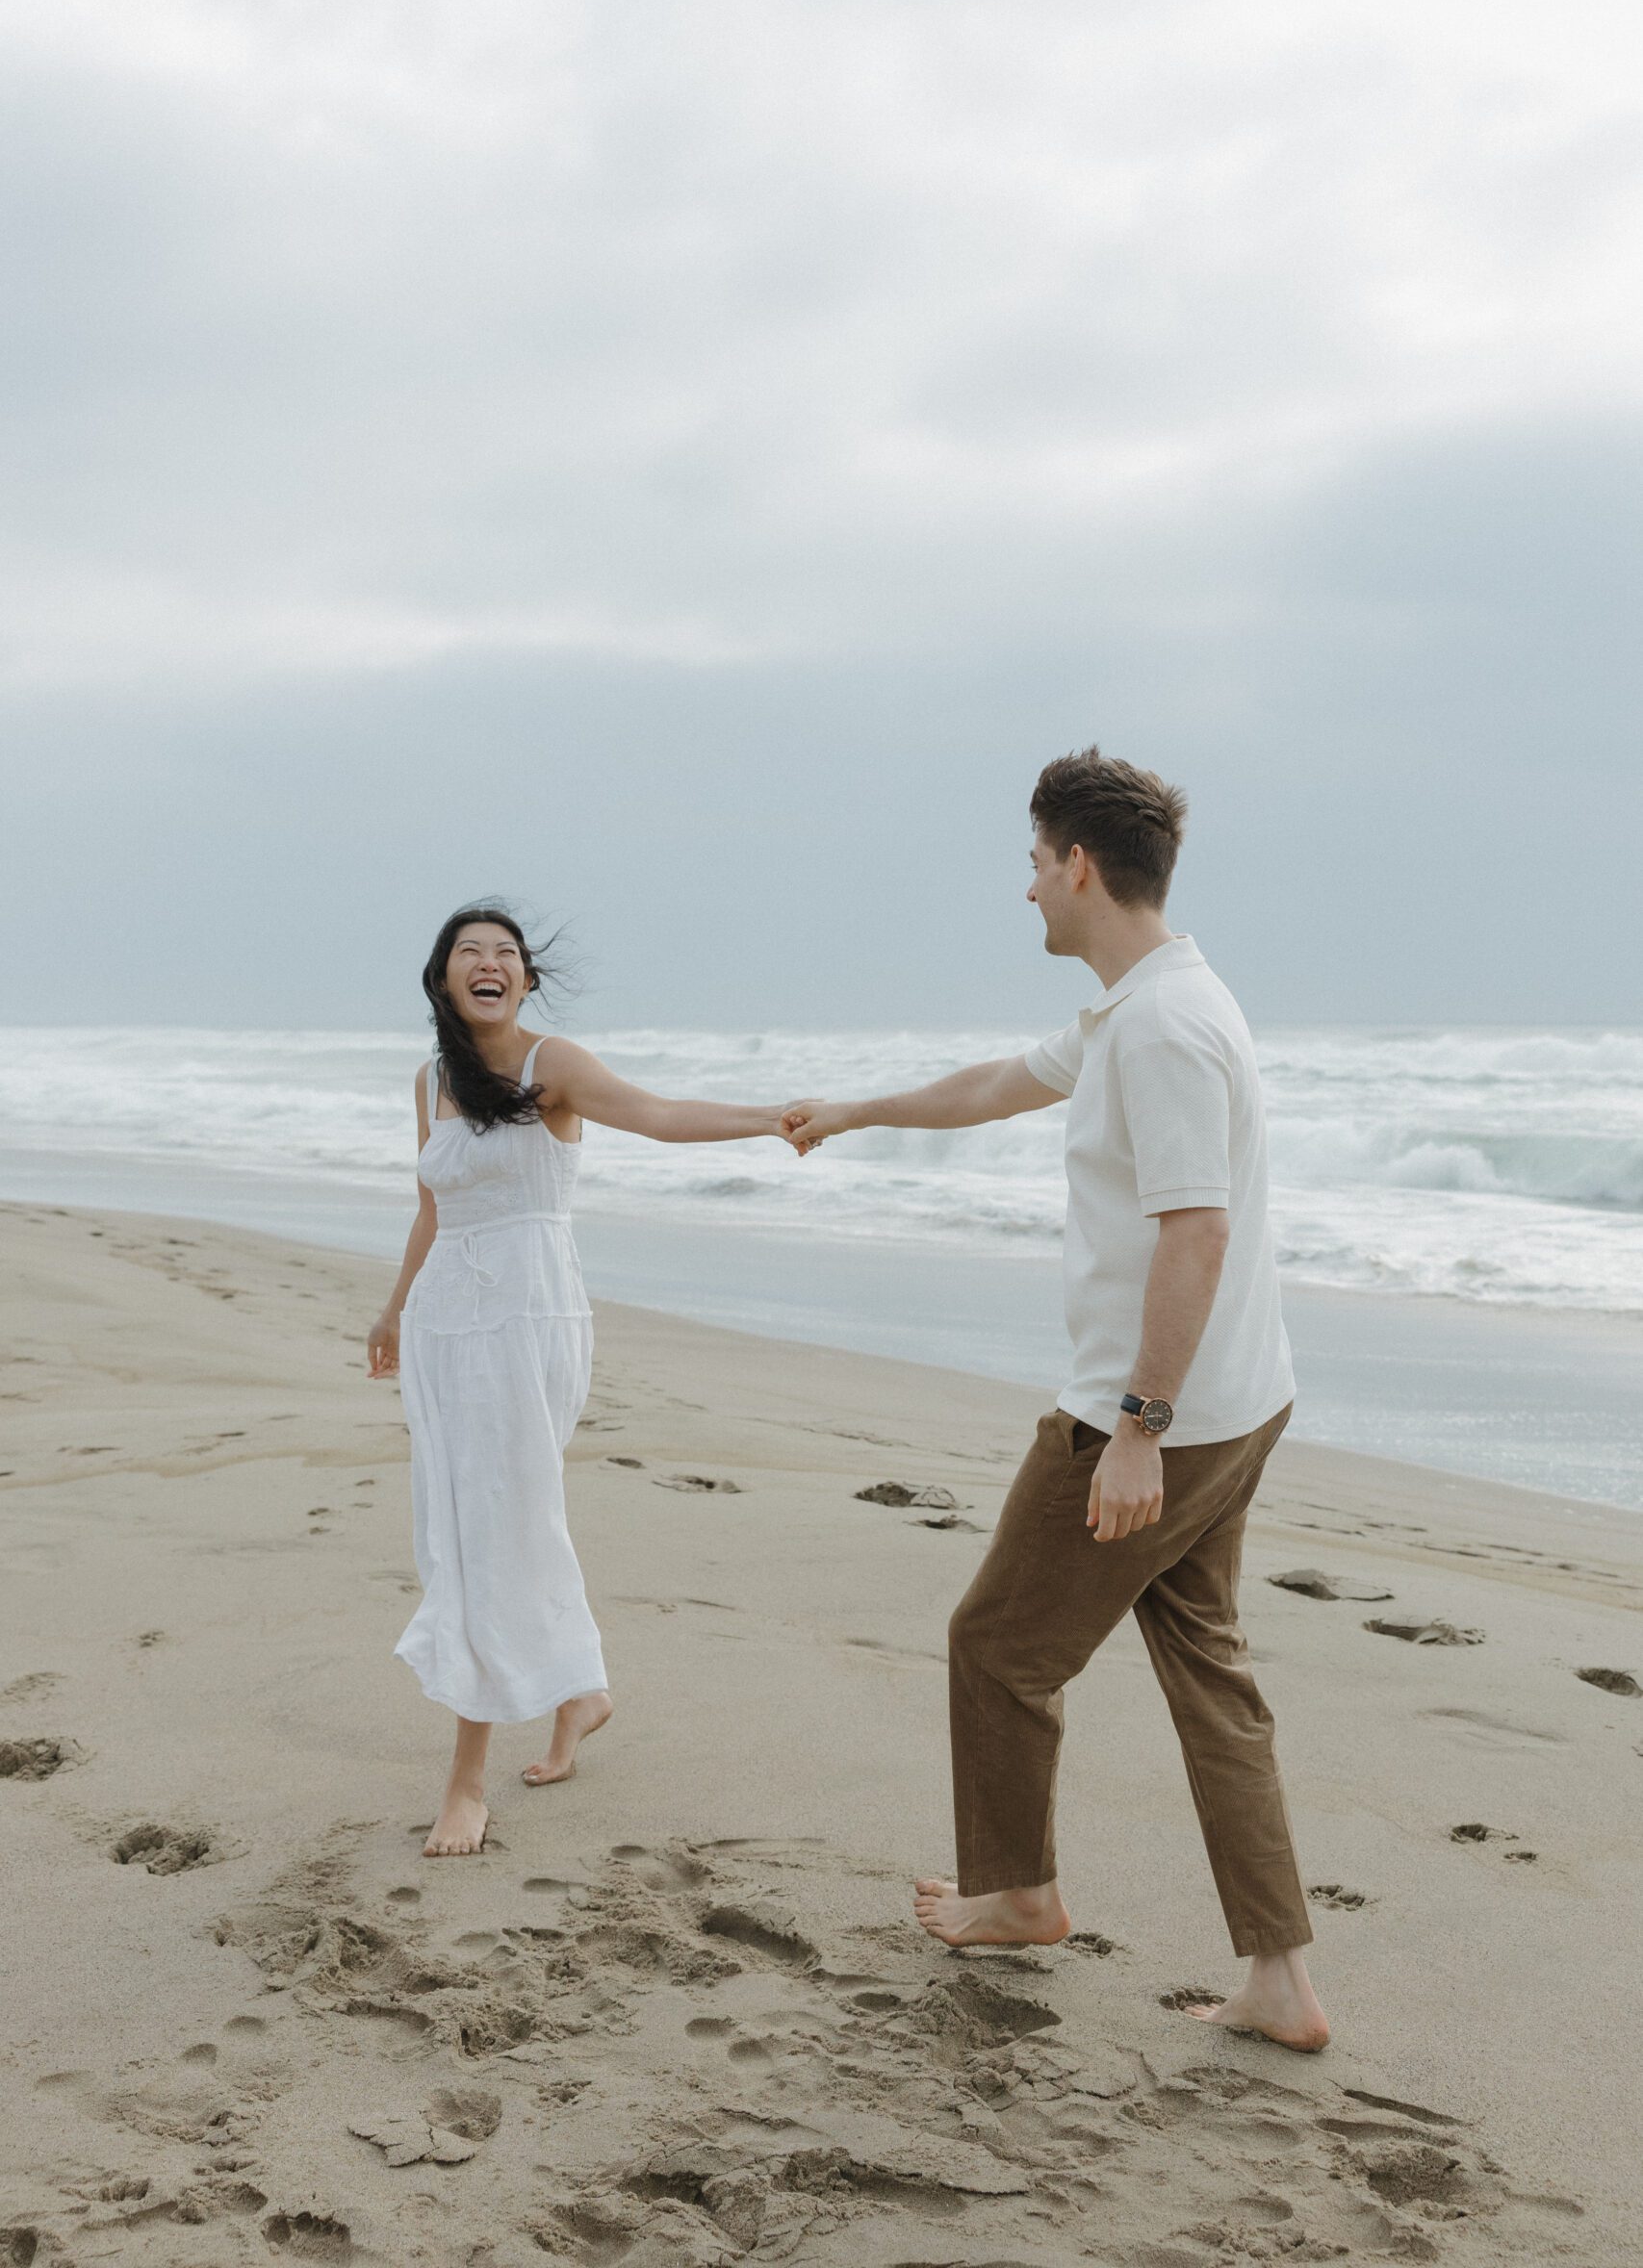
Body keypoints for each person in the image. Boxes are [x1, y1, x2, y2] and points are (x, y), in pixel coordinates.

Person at [783, 747, 1328, 2051]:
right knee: (1208, 1677)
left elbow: (1191, 1233)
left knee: (996, 1648)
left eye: (1033, 863)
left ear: (1077, 864)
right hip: (1238, 1398)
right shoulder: (1134, 1006)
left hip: (1156, 1417)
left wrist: (1132, 1431)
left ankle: (1019, 1894)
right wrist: (854, 1110)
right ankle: (1277, 1982)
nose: (1024, 887)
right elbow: (994, 1085)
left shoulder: (1161, 1027)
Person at [369, 902, 797, 1858]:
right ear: (443, 979)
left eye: (506, 954)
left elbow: (656, 1114)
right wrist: (396, 1306)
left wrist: (768, 1119)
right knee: (480, 1523)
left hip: (528, 1319)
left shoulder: (548, 1064)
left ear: (525, 980)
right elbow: (433, 1204)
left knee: (497, 1525)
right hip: (446, 1322)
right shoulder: (430, 1079)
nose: (489, 962)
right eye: (469, 952)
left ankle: (466, 1781)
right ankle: (581, 1691)